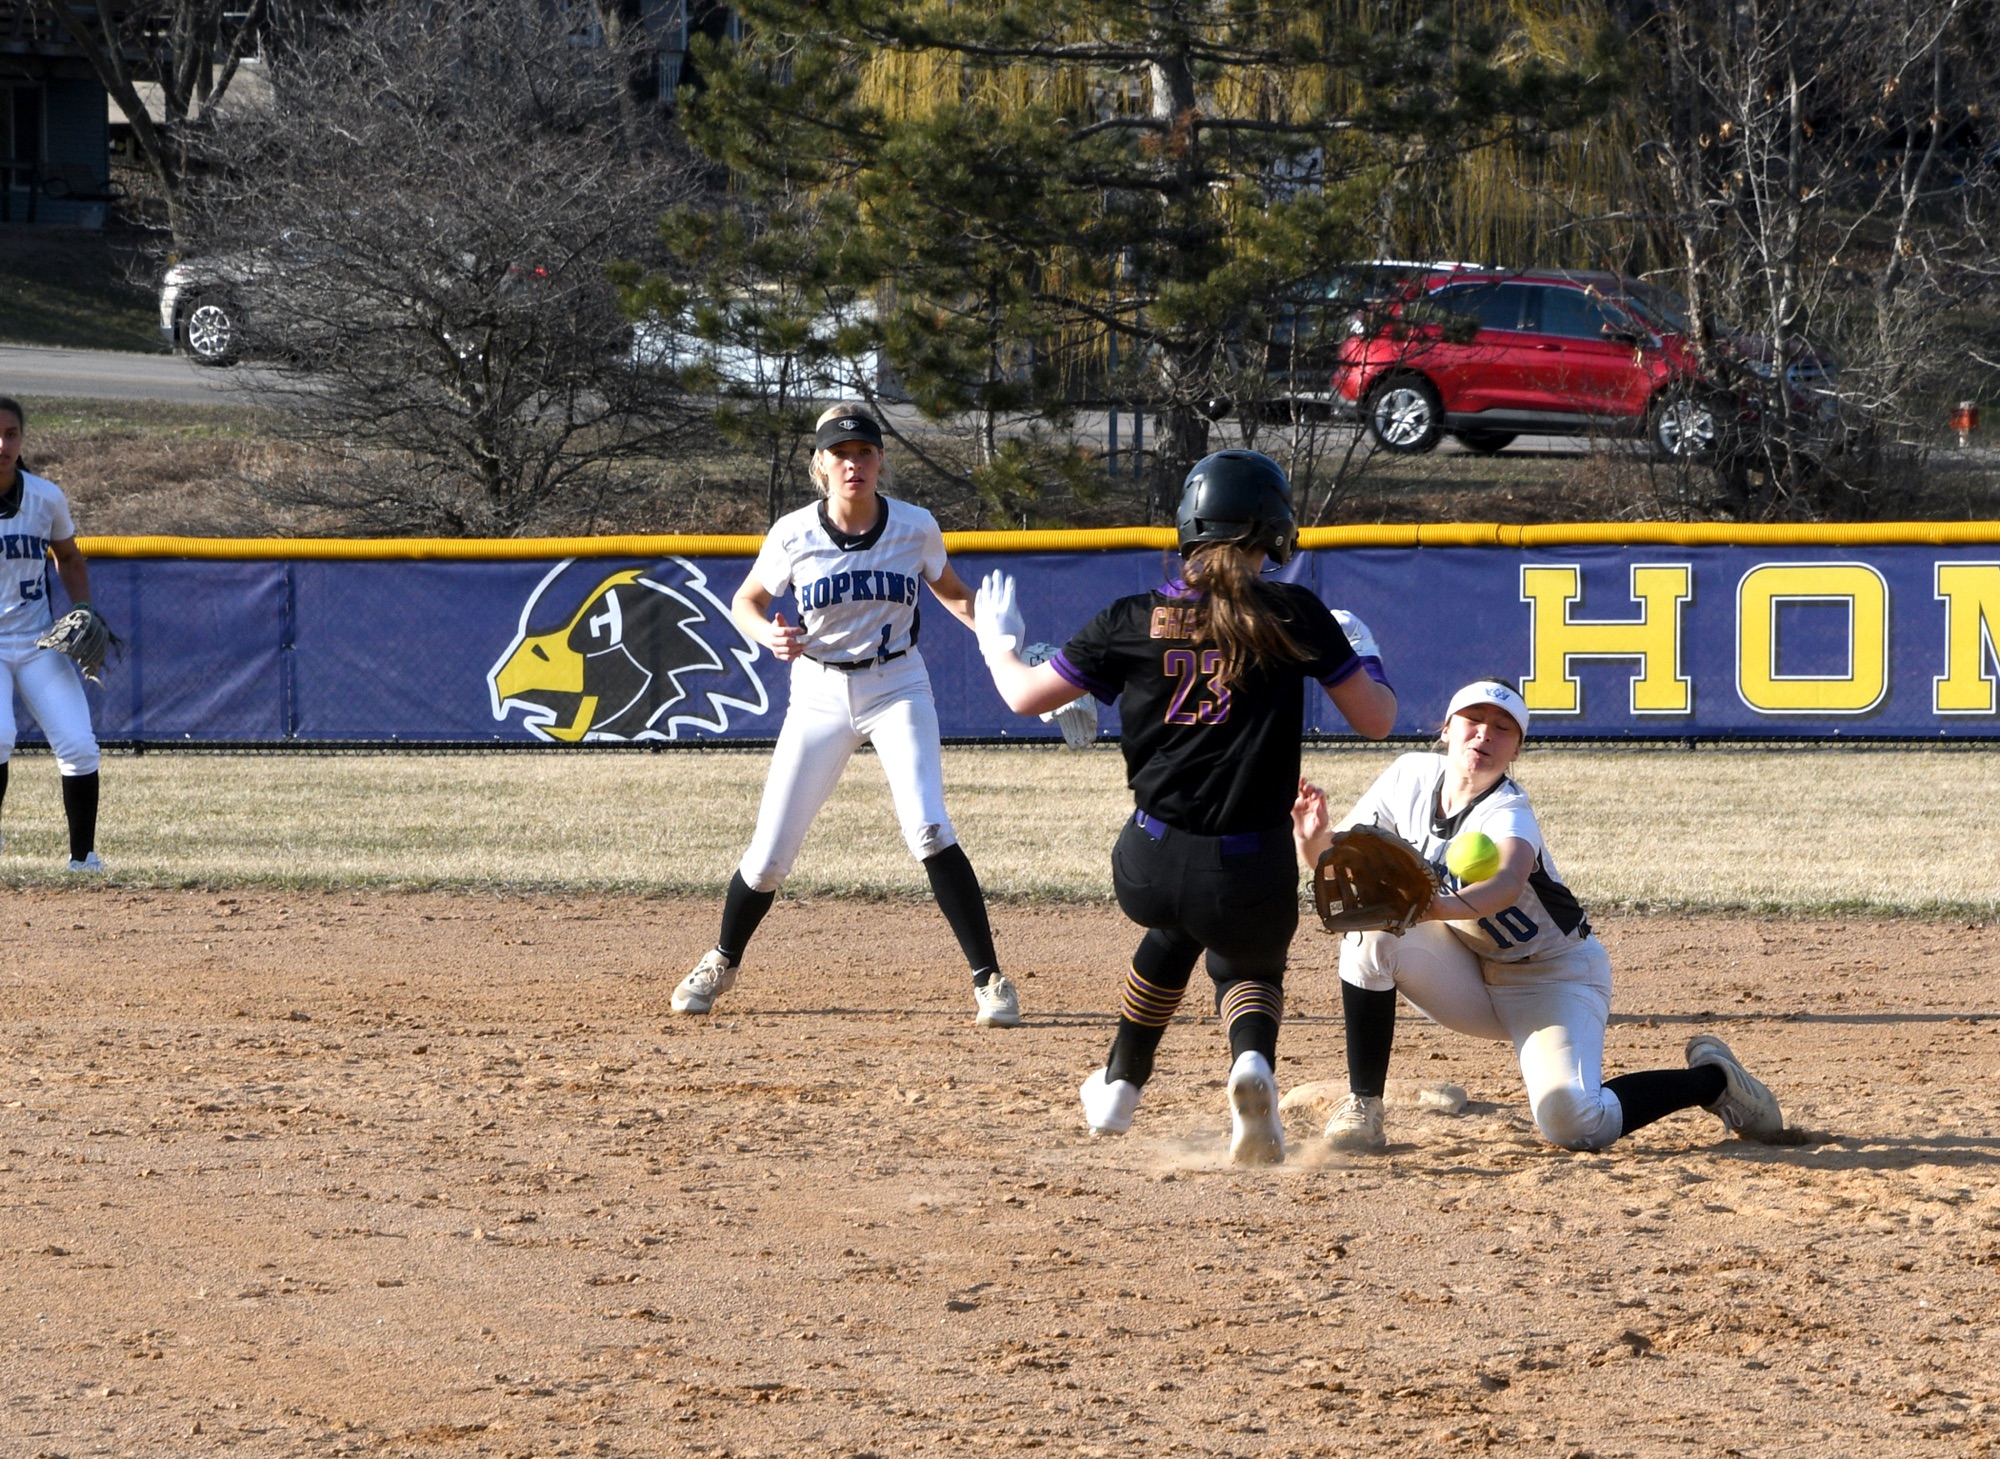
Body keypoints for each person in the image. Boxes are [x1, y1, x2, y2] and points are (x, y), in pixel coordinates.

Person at [976, 450, 1397, 1164]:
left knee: (1179, 923)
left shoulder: (1131, 617)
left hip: (1149, 860)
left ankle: (1119, 1085)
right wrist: (1366, 655)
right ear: (1274, 530)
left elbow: (1022, 695)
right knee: (1250, 958)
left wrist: (997, 643)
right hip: (1251, 866)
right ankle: (1251, 1062)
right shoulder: (1294, 613)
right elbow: (1377, 718)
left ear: (1189, 529)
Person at [1292, 677, 1785, 1153]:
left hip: (1553, 979)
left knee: (1576, 1123)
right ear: (1446, 728)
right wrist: (1311, 839)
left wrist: (1433, 907)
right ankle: (1363, 1106)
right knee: (1372, 930)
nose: (1485, 734)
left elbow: (1506, 884)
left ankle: (1713, 1081)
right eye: (1473, 720)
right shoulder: (1409, 777)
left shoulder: (1509, 810)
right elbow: (1338, 863)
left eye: (1502, 727)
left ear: (1517, 749)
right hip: (1467, 972)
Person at [673, 404, 1019, 1027]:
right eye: (840, 454)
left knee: (929, 828)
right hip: (819, 690)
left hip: (897, 685)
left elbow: (953, 595)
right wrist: (765, 634)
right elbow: (747, 600)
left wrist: (1007, 641)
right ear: (821, 466)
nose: (853, 463)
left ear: (880, 460)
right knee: (770, 856)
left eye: (864, 452)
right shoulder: (793, 534)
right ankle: (721, 959)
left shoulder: (914, 526)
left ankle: (990, 979)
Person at [0, 397, 106, 873]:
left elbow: (69, 556)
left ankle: (83, 860)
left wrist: (82, 608)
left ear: (22, 439)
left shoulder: (45, 496)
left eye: (11, 433)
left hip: (37, 640)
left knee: (79, 745)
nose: (2, 444)